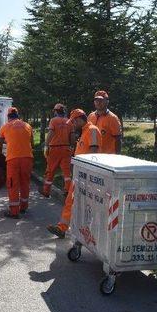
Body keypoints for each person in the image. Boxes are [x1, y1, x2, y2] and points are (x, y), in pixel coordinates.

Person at [47, 109, 102, 238]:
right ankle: (62, 227)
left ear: (79, 120)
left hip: (87, 175)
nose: (73, 125)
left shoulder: (92, 130)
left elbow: (94, 153)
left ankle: (85, 233)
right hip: (80, 174)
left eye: (74, 122)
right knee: (70, 201)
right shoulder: (84, 132)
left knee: (83, 204)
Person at [0, 106, 34, 219]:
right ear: (18, 116)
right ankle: (23, 207)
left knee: (13, 184)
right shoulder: (27, 126)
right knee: (25, 183)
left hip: (13, 159)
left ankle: (14, 212)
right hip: (27, 158)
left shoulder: (4, 127)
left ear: (8, 117)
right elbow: (31, 143)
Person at [40, 103, 72, 197]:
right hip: (66, 148)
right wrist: (71, 146)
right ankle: (68, 191)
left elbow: (51, 133)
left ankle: (46, 191)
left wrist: (46, 145)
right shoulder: (69, 122)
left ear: (55, 111)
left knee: (50, 170)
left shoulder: (53, 121)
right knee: (66, 171)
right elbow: (72, 136)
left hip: (54, 149)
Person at [88, 90, 122, 154]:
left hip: (107, 158)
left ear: (107, 102)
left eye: (101, 100)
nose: (98, 102)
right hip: (93, 156)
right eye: (96, 100)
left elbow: (118, 140)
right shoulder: (90, 116)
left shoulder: (113, 118)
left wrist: (117, 157)